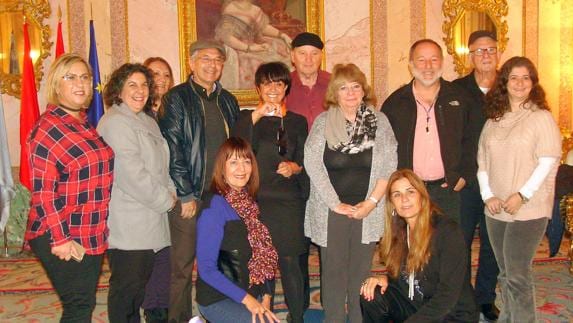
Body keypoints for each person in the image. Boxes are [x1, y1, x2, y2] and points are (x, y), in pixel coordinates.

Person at [24, 53, 115, 322]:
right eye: (70, 77)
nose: (80, 83)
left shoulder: (83, 123)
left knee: (82, 304)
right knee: (78, 306)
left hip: (91, 229)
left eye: (85, 77)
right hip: (61, 231)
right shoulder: (48, 128)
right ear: (56, 85)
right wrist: (61, 239)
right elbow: (44, 192)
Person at [304, 63, 397, 322]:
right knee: (333, 275)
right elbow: (312, 163)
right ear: (335, 91)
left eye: (356, 86)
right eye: (343, 87)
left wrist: (371, 202)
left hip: (368, 209)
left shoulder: (379, 121)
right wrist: (335, 204)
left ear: (363, 90)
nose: (351, 93)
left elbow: (389, 165)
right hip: (331, 210)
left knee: (360, 274)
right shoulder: (323, 122)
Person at [158, 39, 240, 323]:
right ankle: (178, 319)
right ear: (191, 62)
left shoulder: (228, 100)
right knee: (182, 265)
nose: (212, 64)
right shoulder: (177, 98)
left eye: (218, 60)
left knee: (219, 260)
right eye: (206, 58)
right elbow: (173, 146)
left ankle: (215, 314)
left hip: (222, 197)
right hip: (191, 196)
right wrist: (185, 193)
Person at [478, 56, 562, 322]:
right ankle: (509, 317)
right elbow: (482, 162)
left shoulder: (541, 118)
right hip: (496, 208)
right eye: (513, 77)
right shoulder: (493, 119)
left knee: (517, 273)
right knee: (504, 271)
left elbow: (548, 161)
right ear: (504, 82)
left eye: (526, 77)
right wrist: (487, 195)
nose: (519, 83)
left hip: (529, 209)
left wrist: (522, 196)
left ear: (533, 83)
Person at [97, 63, 176, 323]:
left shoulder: (146, 120)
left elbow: (163, 167)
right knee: (127, 295)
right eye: (132, 84)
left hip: (153, 222)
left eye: (144, 84)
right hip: (131, 226)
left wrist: (171, 192)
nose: (140, 90)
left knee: (150, 291)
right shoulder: (115, 123)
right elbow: (132, 175)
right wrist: (167, 200)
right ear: (118, 90)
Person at [232, 62, 308, 322]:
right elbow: (237, 149)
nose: (273, 88)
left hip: (288, 202)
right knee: (260, 265)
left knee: (290, 263)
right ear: (258, 88)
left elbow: (304, 161)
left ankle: (296, 318)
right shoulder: (246, 119)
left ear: (286, 86)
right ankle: (264, 317)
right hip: (256, 201)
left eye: (279, 83)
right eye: (267, 83)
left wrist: (294, 168)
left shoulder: (297, 121)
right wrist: (257, 115)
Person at [360, 169, 479, 322]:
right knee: (371, 293)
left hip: (451, 314)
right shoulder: (399, 231)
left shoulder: (447, 232)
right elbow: (406, 277)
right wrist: (385, 278)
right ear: (392, 204)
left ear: (422, 196)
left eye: (410, 192)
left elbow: (448, 295)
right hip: (418, 305)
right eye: (397, 194)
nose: (404, 199)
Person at [382, 39, 479, 223]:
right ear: (411, 65)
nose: (428, 66)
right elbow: (384, 148)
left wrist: (464, 176)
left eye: (434, 60)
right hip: (409, 193)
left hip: (448, 191)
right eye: (421, 60)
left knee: (448, 247)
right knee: (411, 248)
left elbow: (473, 141)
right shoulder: (395, 103)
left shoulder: (461, 99)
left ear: (442, 63)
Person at [196, 137, 280, 323]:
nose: (241, 169)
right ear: (222, 168)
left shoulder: (249, 204)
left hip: (250, 290)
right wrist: (248, 301)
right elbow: (206, 269)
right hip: (218, 297)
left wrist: (266, 297)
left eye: (246, 161)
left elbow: (263, 255)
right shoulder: (214, 208)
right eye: (233, 162)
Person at [453, 30, 501, 321]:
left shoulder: (510, 88)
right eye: (479, 51)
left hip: (500, 182)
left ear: (499, 53)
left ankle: (485, 297)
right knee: (460, 243)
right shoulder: (456, 89)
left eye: (491, 50)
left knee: (493, 244)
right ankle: (462, 298)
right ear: (469, 56)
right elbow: (451, 137)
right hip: (467, 182)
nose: (485, 55)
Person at [141, 56, 175, 323]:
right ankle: (154, 309)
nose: (160, 80)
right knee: (154, 256)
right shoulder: (139, 115)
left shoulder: (174, 109)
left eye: (166, 74)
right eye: (154, 74)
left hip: (174, 191)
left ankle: (164, 306)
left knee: (170, 255)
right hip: (150, 196)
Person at [214, 0, 293, 89]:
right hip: (238, 49)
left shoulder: (255, 10)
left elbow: (263, 28)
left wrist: (282, 35)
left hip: (254, 45)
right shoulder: (230, 8)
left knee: (281, 50)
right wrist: (250, 48)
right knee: (259, 64)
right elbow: (227, 37)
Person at [287, 32, 331, 128]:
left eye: (314, 53)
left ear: (321, 56)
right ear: (293, 56)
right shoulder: (282, 86)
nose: (308, 59)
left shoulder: (335, 83)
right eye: (302, 53)